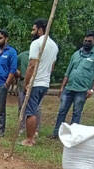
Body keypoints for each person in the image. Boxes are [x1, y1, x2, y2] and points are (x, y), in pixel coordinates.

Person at [51, 31, 94, 139]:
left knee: (77, 112)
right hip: (69, 88)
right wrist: (62, 88)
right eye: (85, 40)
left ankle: (73, 136)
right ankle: (56, 133)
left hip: (82, 90)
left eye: (89, 41)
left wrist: (92, 90)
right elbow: (67, 72)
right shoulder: (76, 54)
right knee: (62, 111)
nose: (87, 43)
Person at [21, 18, 58, 146]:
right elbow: (52, 67)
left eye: (34, 29)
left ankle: (30, 139)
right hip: (45, 83)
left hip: (35, 83)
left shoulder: (36, 43)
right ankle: (33, 134)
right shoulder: (54, 46)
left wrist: (26, 83)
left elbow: (31, 65)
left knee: (30, 112)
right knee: (35, 109)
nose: (32, 32)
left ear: (40, 29)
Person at [16, 50, 41, 134]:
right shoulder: (23, 55)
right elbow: (12, 63)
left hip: (36, 84)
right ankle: (21, 127)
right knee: (21, 106)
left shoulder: (42, 56)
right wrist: (17, 71)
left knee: (36, 108)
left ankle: (35, 129)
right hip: (22, 83)